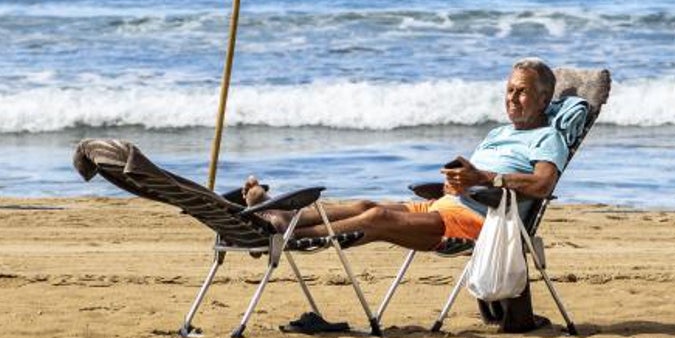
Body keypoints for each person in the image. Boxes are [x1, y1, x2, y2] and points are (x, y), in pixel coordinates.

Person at [244, 57, 570, 251]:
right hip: (448, 206)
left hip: (483, 222)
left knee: (377, 219)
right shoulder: (499, 133)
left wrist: (482, 178)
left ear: (543, 100)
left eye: (522, 92)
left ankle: (281, 236)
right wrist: (457, 183)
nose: (512, 98)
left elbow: (542, 185)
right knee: (366, 205)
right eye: (509, 90)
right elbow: (473, 182)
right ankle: (281, 218)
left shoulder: (547, 137)